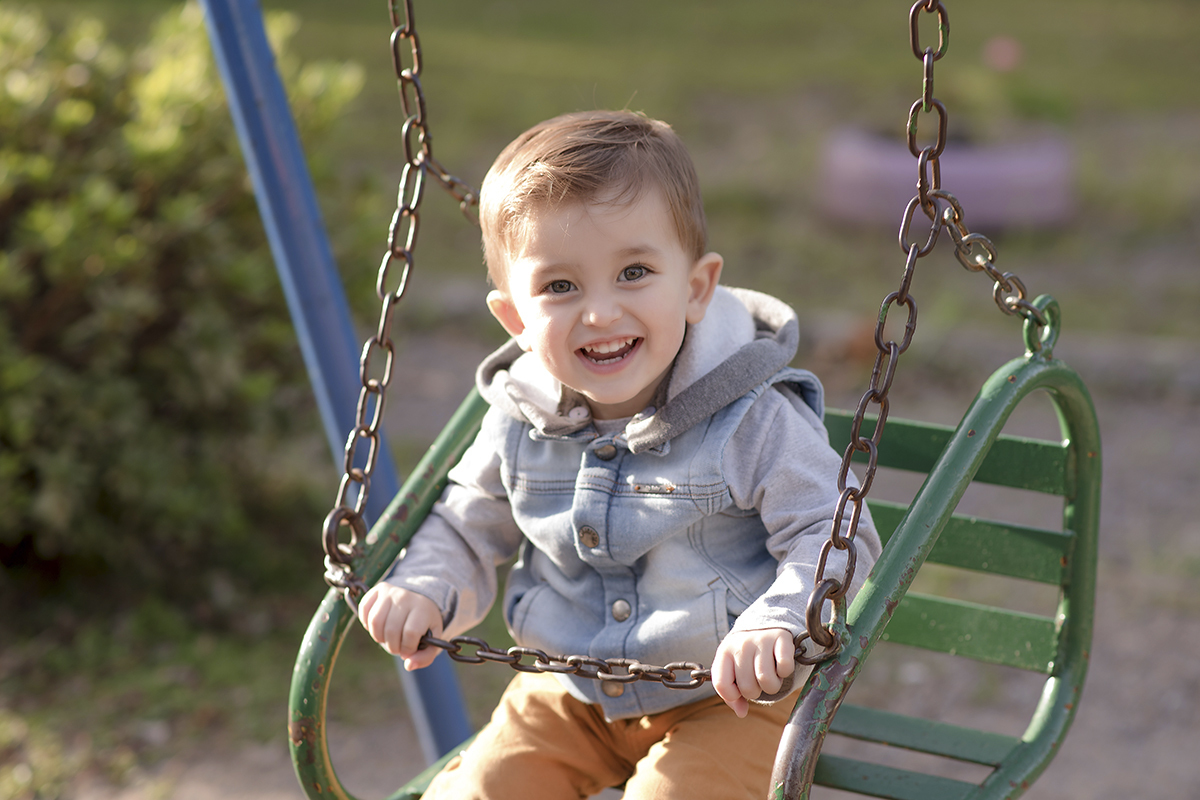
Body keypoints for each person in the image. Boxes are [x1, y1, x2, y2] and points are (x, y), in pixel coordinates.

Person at [358, 110, 881, 799]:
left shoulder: (753, 416)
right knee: (477, 792)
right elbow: (465, 523)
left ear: (695, 289)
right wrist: (425, 585)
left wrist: (778, 620)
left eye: (633, 272)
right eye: (560, 287)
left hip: (729, 699)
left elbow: (832, 533)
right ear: (515, 318)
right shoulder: (520, 416)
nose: (599, 313)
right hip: (568, 691)